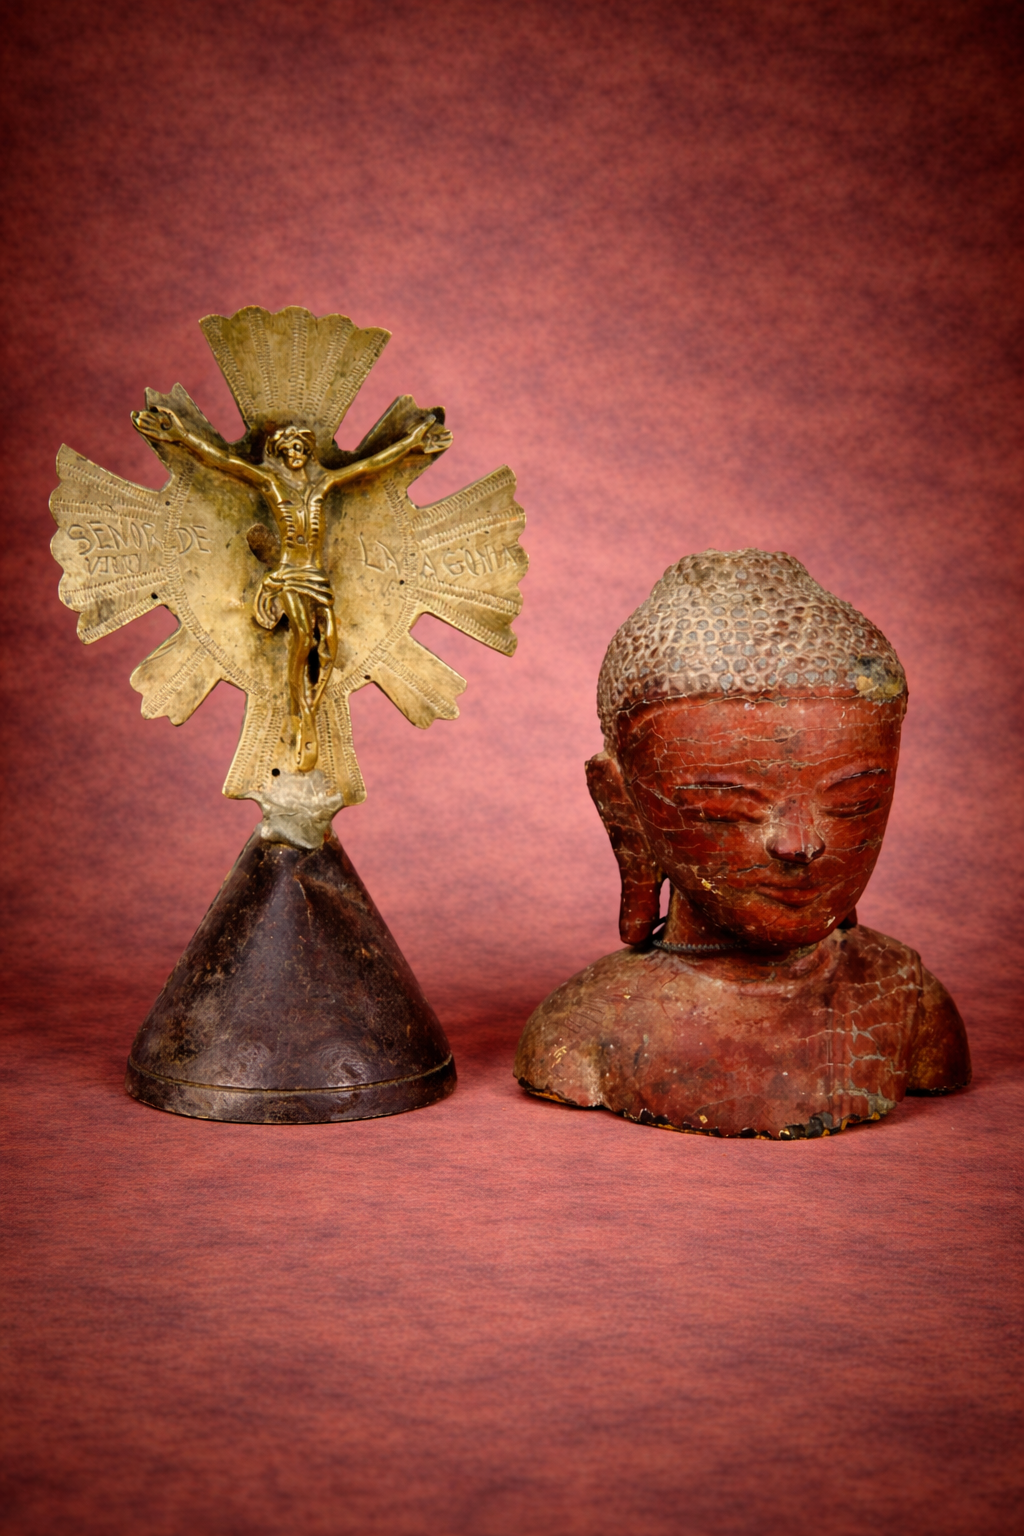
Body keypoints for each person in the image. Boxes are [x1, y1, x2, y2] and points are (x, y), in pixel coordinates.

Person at [514, 549, 970, 1138]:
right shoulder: (583, 1029)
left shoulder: (908, 1000)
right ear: (623, 808)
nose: (799, 844)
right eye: (725, 810)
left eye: (853, 802)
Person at [132, 406, 452, 771]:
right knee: (302, 637)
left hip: (316, 576)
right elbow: (223, 462)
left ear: (308, 452)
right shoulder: (271, 484)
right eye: (290, 451)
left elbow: (369, 467)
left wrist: (412, 443)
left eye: (301, 449)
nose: (297, 456)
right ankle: (302, 718)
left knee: (329, 644)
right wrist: (180, 436)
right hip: (288, 574)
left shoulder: (323, 484)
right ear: (281, 455)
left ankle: (310, 705)